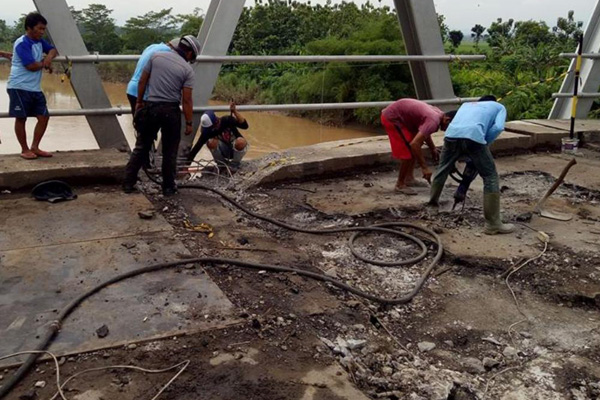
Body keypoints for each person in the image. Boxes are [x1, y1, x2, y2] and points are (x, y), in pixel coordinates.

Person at [123, 35, 201, 196]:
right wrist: (188, 123)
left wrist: (139, 103)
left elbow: (143, 81)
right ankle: (168, 187)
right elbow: (187, 100)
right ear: (189, 54)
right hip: (171, 111)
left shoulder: (155, 56)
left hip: (151, 107)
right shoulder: (187, 70)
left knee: (141, 146)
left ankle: (128, 183)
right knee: (170, 151)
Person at [428, 95, 514, 235]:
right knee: (490, 175)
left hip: (451, 135)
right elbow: (498, 127)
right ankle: (493, 224)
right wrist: (485, 142)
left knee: (442, 169)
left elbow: (461, 125)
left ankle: (431, 207)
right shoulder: (499, 107)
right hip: (474, 137)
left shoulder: (467, 105)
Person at [6, 12, 57, 160]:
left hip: (34, 88)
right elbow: (31, 66)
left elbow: (53, 50)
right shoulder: (22, 43)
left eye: (43, 29)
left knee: (44, 116)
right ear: (29, 28)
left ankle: (35, 147)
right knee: (21, 118)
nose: (42, 32)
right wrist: (44, 63)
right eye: (39, 29)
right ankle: (25, 149)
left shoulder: (39, 42)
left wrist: (48, 57)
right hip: (19, 86)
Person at [381, 99, 456, 195]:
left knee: (414, 147)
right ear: (447, 120)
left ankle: (409, 178)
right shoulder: (433, 120)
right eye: (449, 127)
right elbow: (414, 144)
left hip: (402, 117)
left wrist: (432, 148)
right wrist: (424, 167)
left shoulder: (439, 114)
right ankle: (399, 184)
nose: (446, 131)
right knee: (409, 150)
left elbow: (425, 132)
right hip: (392, 118)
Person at [187, 101, 249, 169]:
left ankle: (234, 165)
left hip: (236, 148)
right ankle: (221, 165)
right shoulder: (207, 132)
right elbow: (196, 148)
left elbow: (245, 126)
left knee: (241, 142)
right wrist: (186, 166)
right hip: (223, 150)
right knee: (210, 142)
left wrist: (234, 111)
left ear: (216, 122)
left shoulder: (227, 120)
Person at [125, 38, 179, 114]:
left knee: (138, 122)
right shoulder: (167, 51)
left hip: (132, 88)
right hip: (143, 92)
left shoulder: (153, 46)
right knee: (147, 124)